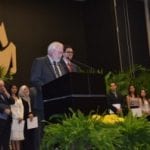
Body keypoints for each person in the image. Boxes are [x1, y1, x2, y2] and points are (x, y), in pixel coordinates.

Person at [30, 41, 67, 149]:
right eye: (60, 52)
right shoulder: (40, 62)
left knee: (56, 132)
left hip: (59, 104)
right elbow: (34, 79)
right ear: (52, 51)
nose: (61, 55)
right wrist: (49, 91)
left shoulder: (61, 65)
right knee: (41, 133)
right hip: (43, 104)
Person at [18, 85, 35, 150]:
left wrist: (32, 114)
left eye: (27, 89)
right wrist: (28, 114)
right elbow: (20, 111)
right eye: (24, 89)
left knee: (32, 137)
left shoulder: (30, 98)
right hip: (24, 121)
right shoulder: (20, 100)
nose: (26, 90)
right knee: (26, 138)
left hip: (31, 120)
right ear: (21, 91)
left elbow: (33, 109)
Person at [0, 79, 15, 150]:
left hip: (7, 121)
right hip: (0, 120)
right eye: (0, 86)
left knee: (6, 142)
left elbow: (12, 101)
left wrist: (7, 93)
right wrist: (4, 109)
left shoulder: (4, 94)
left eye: (3, 85)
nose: (2, 87)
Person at [9, 84, 24, 150]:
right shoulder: (9, 97)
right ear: (10, 89)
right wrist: (16, 117)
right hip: (13, 119)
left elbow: (22, 108)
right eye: (13, 88)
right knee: (13, 138)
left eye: (15, 88)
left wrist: (21, 116)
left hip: (20, 120)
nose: (14, 89)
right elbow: (11, 109)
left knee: (18, 138)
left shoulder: (19, 97)